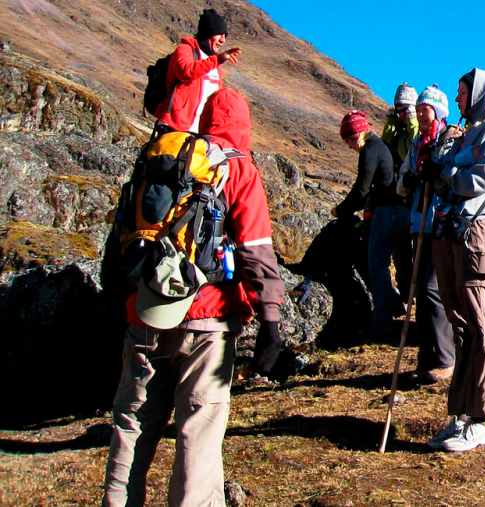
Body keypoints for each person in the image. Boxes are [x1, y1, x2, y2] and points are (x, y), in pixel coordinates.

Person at [103, 89, 285, 506]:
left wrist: (122, 301)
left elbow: (121, 237)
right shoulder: (239, 170)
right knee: (197, 429)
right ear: (244, 125)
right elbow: (256, 251)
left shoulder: (159, 158)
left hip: (148, 310)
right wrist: (270, 321)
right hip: (210, 320)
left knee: (132, 424)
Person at [423, 68, 485, 452]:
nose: (458, 99)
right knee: (459, 320)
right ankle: (461, 414)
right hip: (449, 229)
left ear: (481, 95)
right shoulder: (465, 132)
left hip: (476, 228)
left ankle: (483, 418)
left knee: (480, 319)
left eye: (463, 92)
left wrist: (445, 175)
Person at [396, 85, 457, 384]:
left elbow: (451, 180)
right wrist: (408, 180)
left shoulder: (450, 140)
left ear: (439, 112)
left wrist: (438, 175)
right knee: (420, 289)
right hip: (418, 223)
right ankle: (426, 357)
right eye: (419, 110)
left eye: (426, 110)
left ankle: (447, 358)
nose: (421, 114)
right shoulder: (416, 144)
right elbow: (402, 182)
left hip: (440, 223)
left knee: (434, 290)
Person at [332, 110, 409, 336]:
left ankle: (382, 322)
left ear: (357, 135)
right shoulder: (383, 146)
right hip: (401, 211)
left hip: (386, 212)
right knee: (387, 264)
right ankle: (394, 305)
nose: (349, 146)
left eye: (349, 140)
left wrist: (341, 210)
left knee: (376, 266)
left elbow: (361, 189)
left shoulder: (370, 150)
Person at [154, 9, 242, 133]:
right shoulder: (185, 50)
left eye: (225, 36)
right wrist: (217, 60)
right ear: (208, 32)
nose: (223, 40)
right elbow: (186, 72)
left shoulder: (216, 65)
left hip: (200, 133)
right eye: (219, 34)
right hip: (175, 127)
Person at [383, 83, 420, 307]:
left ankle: (419, 290)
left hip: (415, 197)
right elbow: (386, 148)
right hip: (398, 197)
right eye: (398, 109)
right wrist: (391, 123)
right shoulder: (396, 131)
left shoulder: (415, 128)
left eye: (405, 109)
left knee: (417, 247)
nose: (401, 114)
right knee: (400, 249)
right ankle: (406, 291)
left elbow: (417, 144)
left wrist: (412, 119)